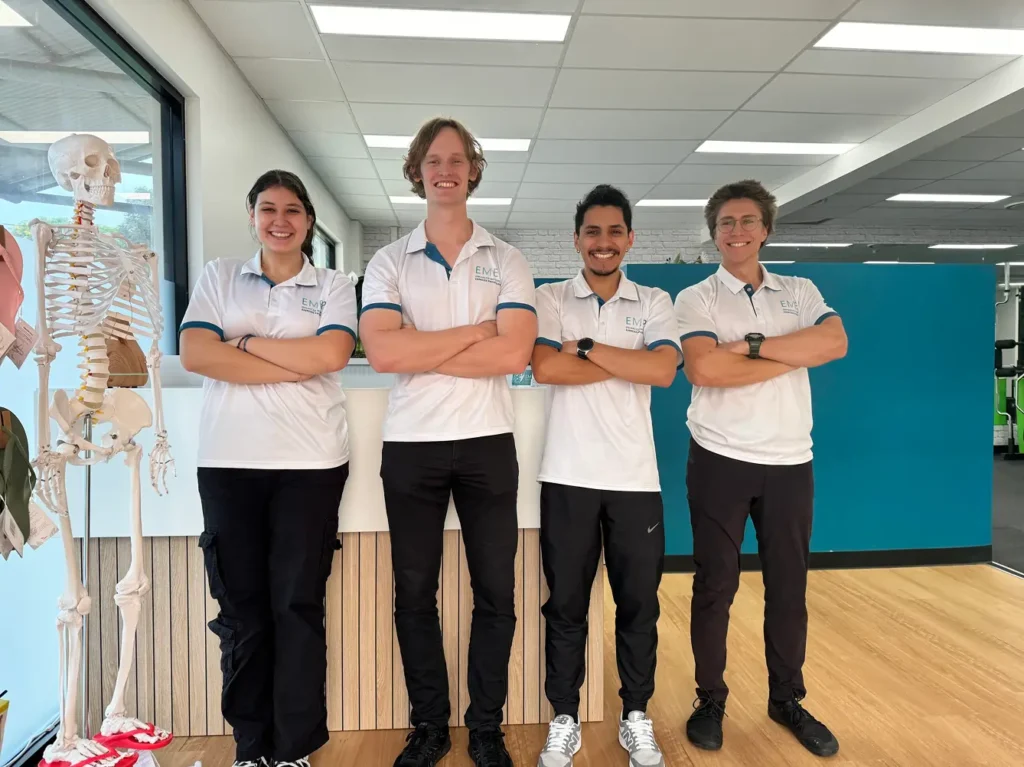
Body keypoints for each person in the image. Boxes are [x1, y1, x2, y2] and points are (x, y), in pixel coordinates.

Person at [358, 117, 537, 767]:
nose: (446, 168)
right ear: (417, 170)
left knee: (496, 593)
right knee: (414, 593)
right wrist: (474, 333)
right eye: (433, 159)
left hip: (489, 442)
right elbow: (381, 351)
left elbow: (515, 351)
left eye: (458, 159)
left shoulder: (507, 258)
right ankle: (429, 725)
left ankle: (485, 725)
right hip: (412, 445)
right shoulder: (388, 262)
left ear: (472, 170)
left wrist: (423, 345)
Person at [179, 170, 357, 767]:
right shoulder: (220, 276)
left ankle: (295, 749)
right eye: (267, 209)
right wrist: (295, 363)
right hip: (229, 462)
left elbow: (332, 354)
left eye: (292, 210)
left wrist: (247, 344)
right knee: (243, 612)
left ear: (308, 220)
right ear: (252, 215)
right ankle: (251, 747)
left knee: (297, 607)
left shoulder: (333, 283)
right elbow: (197, 352)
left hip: (312, 463)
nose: (280, 221)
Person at [674, 179, 847, 757]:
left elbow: (834, 342)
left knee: (789, 589)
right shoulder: (696, 298)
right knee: (715, 586)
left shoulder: (799, 289)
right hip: (719, 457)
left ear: (766, 229)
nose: (737, 231)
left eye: (748, 221)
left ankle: (786, 700)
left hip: (790, 462)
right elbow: (703, 370)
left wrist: (745, 349)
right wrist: (785, 349)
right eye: (726, 222)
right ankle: (710, 698)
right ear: (714, 231)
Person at [531, 185, 681, 767]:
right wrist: (625, 361)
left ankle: (635, 715)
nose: (603, 242)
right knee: (565, 607)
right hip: (567, 475)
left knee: (638, 606)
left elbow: (664, 370)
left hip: (635, 480)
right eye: (592, 232)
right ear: (576, 239)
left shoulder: (654, 300)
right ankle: (563, 718)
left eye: (614, 231)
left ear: (630, 239)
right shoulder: (550, 298)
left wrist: (588, 348)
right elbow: (545, 366)